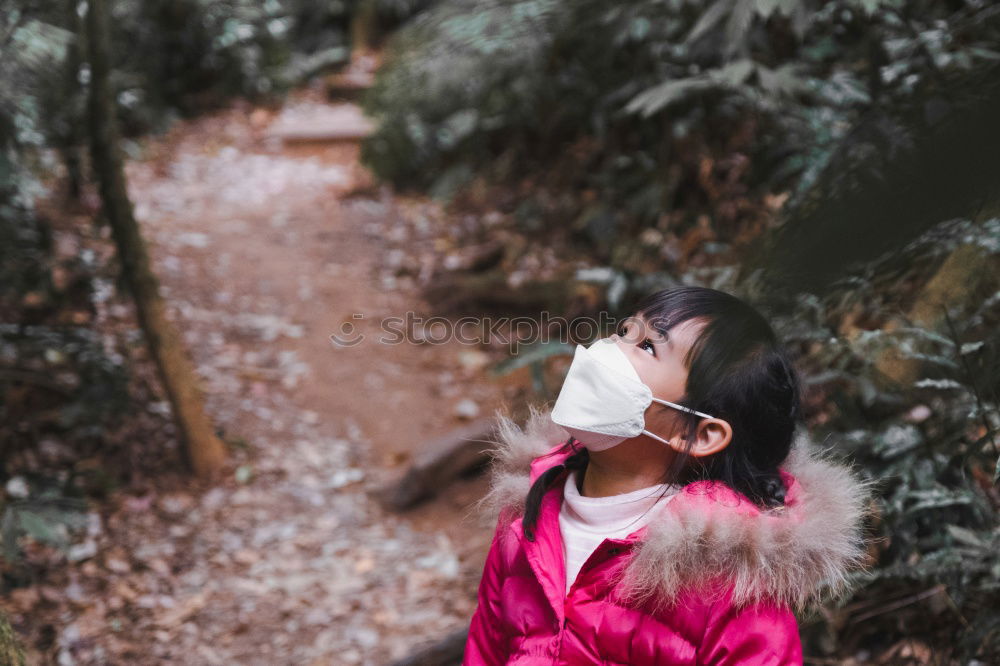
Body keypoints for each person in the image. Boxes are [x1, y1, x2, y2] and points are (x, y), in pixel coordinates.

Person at [463, 286, 876, 665]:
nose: (608, 348)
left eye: (646, 345)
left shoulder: (729, 586)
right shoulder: (530, 511)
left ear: (697, 434)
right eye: (624, 330)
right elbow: (485, 648)